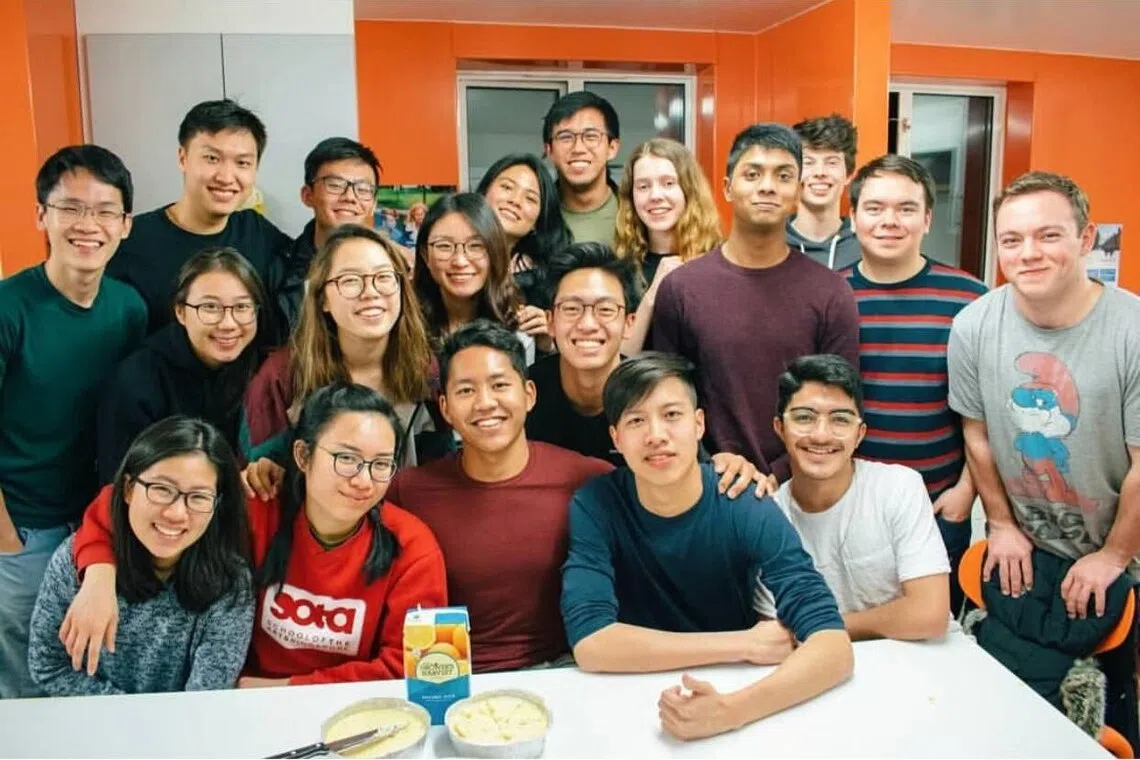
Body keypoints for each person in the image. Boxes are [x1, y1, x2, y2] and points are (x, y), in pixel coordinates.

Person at [63, 383, 449, 686]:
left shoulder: (412, 545)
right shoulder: (257, 506)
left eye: (381, 464)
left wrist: (290, 688)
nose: (363, 480)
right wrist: (98, 573)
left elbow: (416, 666)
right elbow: (127, 501)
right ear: (302, 456)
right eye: (346, 459)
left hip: (352, 710)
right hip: (241, 705)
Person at [561, 353, 852, 741]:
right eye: (635, 420)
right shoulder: (596, 504)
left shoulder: (742, 502)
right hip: (623, 695)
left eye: (672, 415)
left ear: (699, 424)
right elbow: (592, 643)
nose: (656, 434)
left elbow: (833, 645)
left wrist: (732, 711)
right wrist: (744, 643)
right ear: (615, 438)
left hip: (732, 689)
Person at [948, 172, 1140, 746]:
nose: (1028, 253)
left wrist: (1113, 554)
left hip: (1125, 553)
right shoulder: (974, 325)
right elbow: (977, 436)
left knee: (1110, 719)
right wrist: (1002, 524)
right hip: (1031, 547)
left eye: (1048, 235)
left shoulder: (1132, 330)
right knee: (1006, 714)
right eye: (1011, 240)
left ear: (1085, 239)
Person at [0, 145, 147, 699]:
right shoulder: (8, 308)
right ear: (42, 215)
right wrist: (6, 535)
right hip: (24, 526)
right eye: (71, 208)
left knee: (92, 668)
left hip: (98, 522)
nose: (89, 225)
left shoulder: (128, 308)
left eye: (106, 211)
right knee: (25, 683)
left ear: (126, 225)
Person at [388, 321, 612, 672]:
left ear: (529, 395)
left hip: (562, 672)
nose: (485, 403)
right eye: (466, 391)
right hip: (449, 677)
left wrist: (725, 462)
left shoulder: (588, 480)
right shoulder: (409, 490)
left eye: (499, 385)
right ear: (445, 409)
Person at [649, 123, 860, 480]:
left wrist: (781, 471)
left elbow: (839, 401)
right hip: (710, 483)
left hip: (804, 486)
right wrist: (712, 463)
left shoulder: (830, 292)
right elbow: (670, 394)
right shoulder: (682, 288)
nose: (767, 186)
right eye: (752, 173)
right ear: (728, 188)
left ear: (797, 192)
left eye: (783, 175)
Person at [845, 155, 988, 613]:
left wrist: (967, 491)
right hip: (847, 508)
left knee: (934, 641)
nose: (890, 221)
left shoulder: (970, 299)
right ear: (853, 216)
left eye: (906, 209)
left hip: (939, 507)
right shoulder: (828, 296)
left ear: (927, 219)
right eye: (875, 208)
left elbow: (990, 414)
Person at [526, 242, 775, 495]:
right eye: (571, 309)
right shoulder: (524, 395)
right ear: (550, 322)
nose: (588, 324)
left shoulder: (654, 392)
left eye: (605, 310)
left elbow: (697, 470)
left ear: (629, 324)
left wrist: (725, 466)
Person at [28, 418, 254, 695]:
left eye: (198, 497)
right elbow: (48, 665)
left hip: (179, 730)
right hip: (90, 724)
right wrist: (130, 720)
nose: (176, 513)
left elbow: (205, 697)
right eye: (161, 489)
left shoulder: (229, 581)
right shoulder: (72, 562)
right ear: (128, 489)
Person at [763, 355, 950, 639]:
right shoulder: (768, 518)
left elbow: (929, 615)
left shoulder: (897, 487)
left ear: (859, 433)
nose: (821, 435)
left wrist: (822, 627)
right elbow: (775, 634)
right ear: (780, 428)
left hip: (923, 655)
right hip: (822, 665)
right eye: (804, 418)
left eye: (840, 420)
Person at [241, 224, 439, 469]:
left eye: (384, 277)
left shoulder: (427, 371)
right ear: (323, 298)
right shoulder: (282, 376)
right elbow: (260, 478)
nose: (370, 292)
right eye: (350, 280)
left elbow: (438, 476)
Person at [105, 99, 292, 340]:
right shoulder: (132, 240)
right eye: (212, 158)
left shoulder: (256, 230)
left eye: (242, 163)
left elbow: (310, 266)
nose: (226, 177)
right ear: (183, 158)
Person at [98, 247, 272, 483]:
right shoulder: (138, 380)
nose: (229, 324)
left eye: (242, 307)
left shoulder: (263, 369)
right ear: (181, 312)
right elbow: (119, 484)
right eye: (210, 307)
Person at [613, 138, 721, 354]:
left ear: (688, 190)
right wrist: (653, 295)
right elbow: (619, 360)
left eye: (668, 183)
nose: (655, 196)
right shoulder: (619, 270)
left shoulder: (721, 261)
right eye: (643, 186)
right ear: (631, 197)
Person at [413, 192, 535, 363]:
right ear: (425, 255)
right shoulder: (406, 325)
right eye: (444, 246)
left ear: (495, 251)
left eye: (476, 246)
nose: (460, 261)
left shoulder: (519, 329)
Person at [278, 137, 384, 330]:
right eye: (335, 185)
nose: (350, 197)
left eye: (363, 189)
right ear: (308, 195)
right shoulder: (279, 269)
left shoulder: (392, 270)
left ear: (373, 204)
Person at [477, 153, 573, 353]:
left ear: (537, 223)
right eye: (507, 187)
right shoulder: (453, 262)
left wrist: (548, 341)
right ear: (484, 192)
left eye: (530, 198)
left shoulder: (543, 283)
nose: (515, 201)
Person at [543, 91, 621, 246]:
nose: (578, 148)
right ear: (549, 150)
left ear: (612, 148)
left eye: (591, 136)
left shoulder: (637, 216)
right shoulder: (534, 219)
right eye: (565, 137)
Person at [786, 114, 861, 270]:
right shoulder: (765, 246)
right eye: (808, 162)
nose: (820, 172)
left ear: (849, 174)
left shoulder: (868, 247)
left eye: (831, 162)